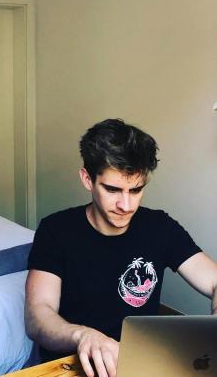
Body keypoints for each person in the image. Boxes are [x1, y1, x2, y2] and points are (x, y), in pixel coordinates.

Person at [25, 119, 217, 377]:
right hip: (77, 364)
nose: (126, 205)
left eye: (136, 190)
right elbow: (37, 316)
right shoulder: (56, 231)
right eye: (113, 189)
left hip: (142, 363)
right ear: (87, 179)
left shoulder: (160, 226)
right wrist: (84, 336)